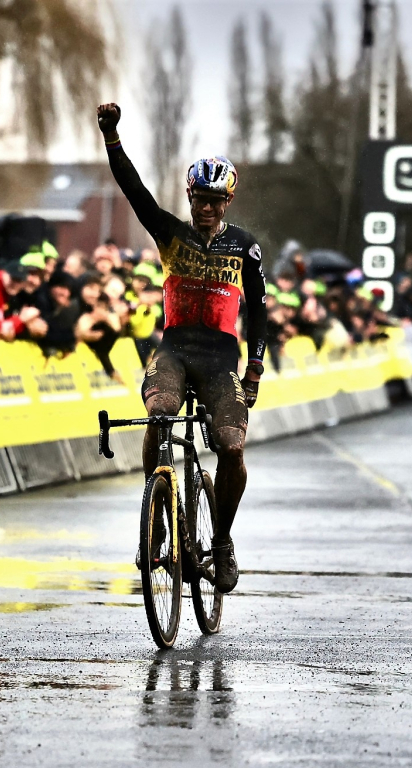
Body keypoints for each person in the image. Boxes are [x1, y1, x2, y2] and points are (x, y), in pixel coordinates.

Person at [98, 102, 267, 594]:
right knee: (159, 413)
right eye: (199, 198)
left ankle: (223, 541)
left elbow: (257, 311)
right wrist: (112, 136)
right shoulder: (170, 233)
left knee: (232, 446)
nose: (206, 207)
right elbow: (134, 191)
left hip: (220, 361)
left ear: (228, 201)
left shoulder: (245, 247)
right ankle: (154, 517)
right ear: (190, 196)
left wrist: (255, 367)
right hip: (173, 350)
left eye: (215, 200)